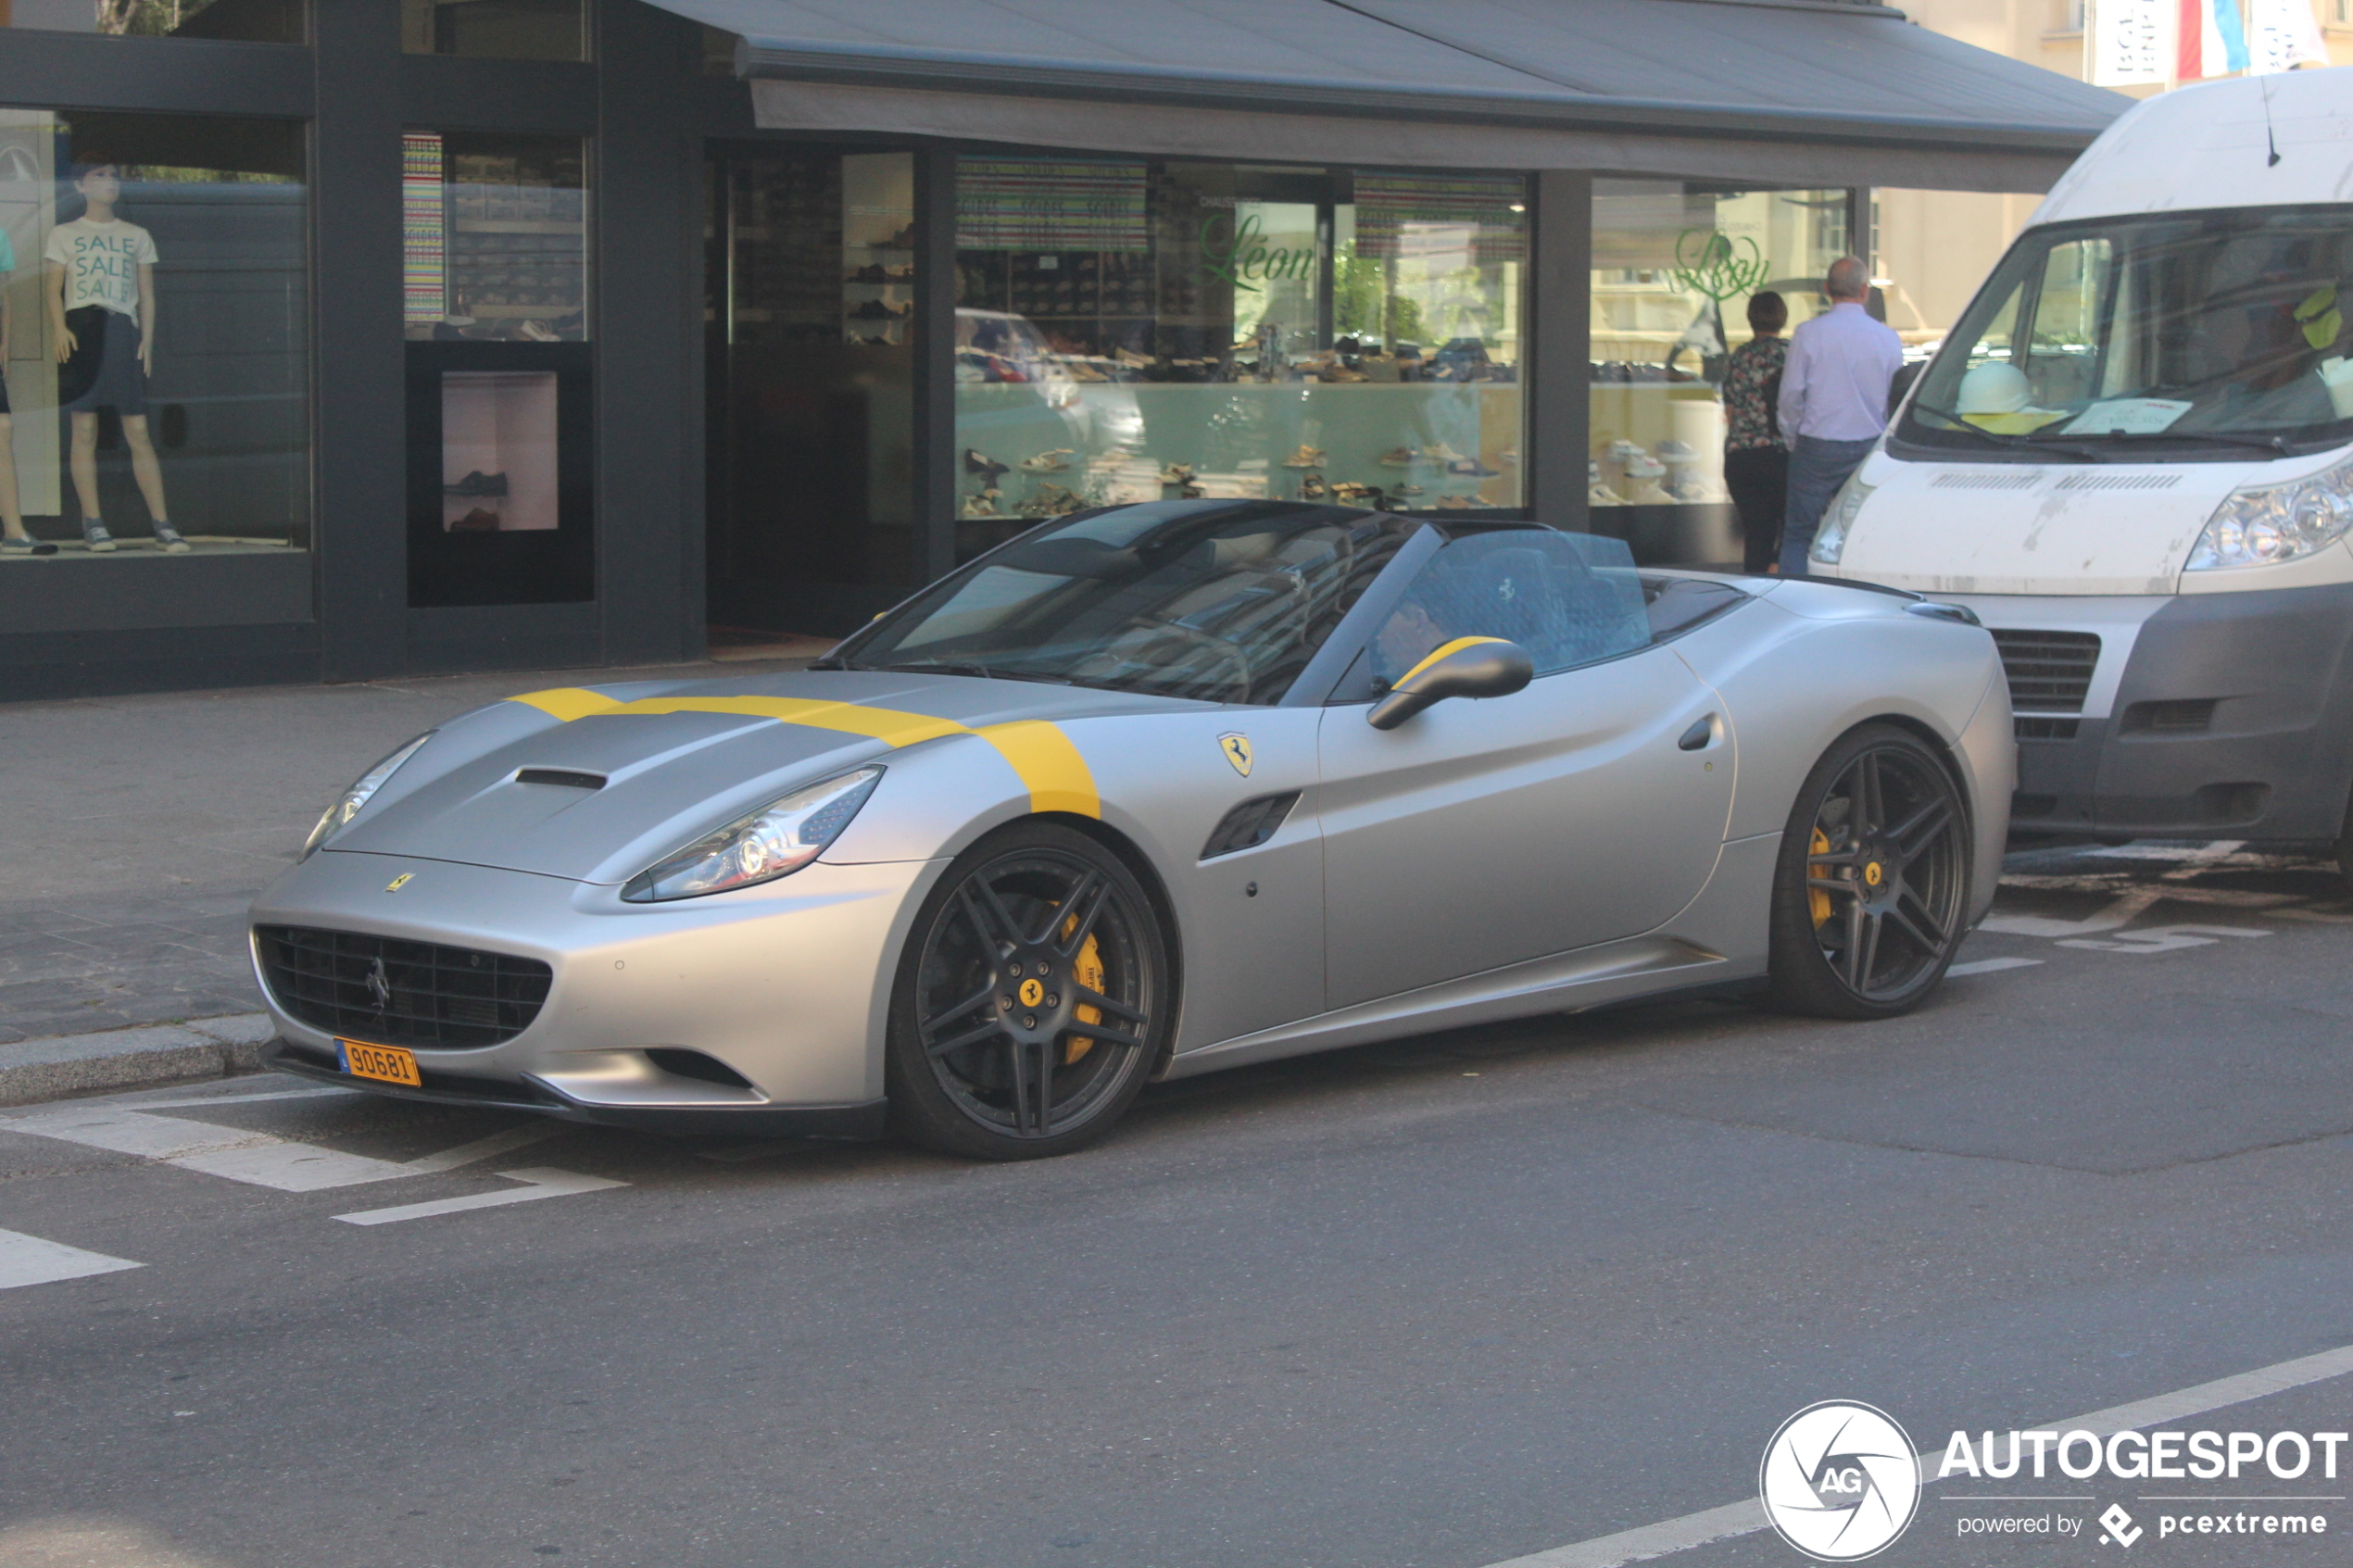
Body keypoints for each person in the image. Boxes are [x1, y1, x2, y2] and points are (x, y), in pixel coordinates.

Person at [44, 154, 181, 555]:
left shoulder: (136, 235)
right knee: (84, 429)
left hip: (122, 329)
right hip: (82, 328)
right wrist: (59, 329)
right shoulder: (64, 233)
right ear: (80, 186)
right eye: (99, 176)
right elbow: (53, 288)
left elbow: (147, 296)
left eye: (114, 176)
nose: (109, 182)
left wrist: (147, 341)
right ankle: (93, 522)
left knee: (137, 430)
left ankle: (163, 522)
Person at [1777, 257, 1902, 575]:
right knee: (1862, 534)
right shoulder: (1887, 338)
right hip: (1867, 445)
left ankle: (1793, 605)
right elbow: (1895, 398)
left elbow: (1791, 394)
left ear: (1826, 289)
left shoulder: (1808, 333)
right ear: (1865, 291)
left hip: (1817, 444)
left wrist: (1793, 438)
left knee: (1799, 535)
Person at [1720, 291, 1788, 575]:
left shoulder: (1739, 356)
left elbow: (1730, 410)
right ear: (1782, 318)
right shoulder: (1789, 353)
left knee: (1756, 533)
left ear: (1750, 319)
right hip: (1776, 453)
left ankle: (1752, 588)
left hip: (1740, 458)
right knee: (1792, 528)